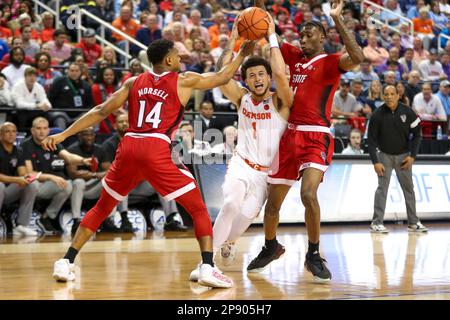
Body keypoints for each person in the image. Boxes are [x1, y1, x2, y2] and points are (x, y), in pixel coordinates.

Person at [43, 36, 254, 288]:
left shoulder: (133, 82)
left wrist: (64, 134)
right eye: (177, 54)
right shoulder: (183, 80)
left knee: (102, 207)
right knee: (198, 208)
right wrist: (242, 55)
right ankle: (207, 266)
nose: (180, 58)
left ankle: (66, 261)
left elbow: (100, 111)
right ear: (168, 59)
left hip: (130, 144)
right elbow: (221, 77)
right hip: (156, 146)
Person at [251, 0, 364, 282]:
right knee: (272, 204)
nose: (302, 39)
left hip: (316, 136)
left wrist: (337, 19)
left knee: (308, 194)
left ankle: (313, 253)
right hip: (289, 135)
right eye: (300, 35)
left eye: (308, 35)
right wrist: (260, 6)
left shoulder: (330, 62)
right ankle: (270, 246)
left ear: (323, 37)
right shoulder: (295, 57)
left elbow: (358, 57)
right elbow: (270, 30)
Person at [191, 14, 292, 277]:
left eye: (261, 74)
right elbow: (221, 76)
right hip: (241, 164)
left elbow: (281, 72)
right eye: (251, 75)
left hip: (265, 175)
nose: (257, 78)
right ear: (245, 80)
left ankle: (229, 242)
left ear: (269, 78)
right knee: (230, 205)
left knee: (242, 222)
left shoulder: (281, 102)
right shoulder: (242, 99)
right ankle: (206, 263)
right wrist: (234, 39)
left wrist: (272, 37)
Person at [101, 113, 187, 232]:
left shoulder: (139, 140)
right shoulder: (108, 144)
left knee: (162, 183)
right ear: (114, 126)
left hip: (140, 183)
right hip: (121, 183)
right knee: (122, 182)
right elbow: (109, 170)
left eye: (127, 121)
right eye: (121, 122)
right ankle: (124, 220)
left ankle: (171, 219)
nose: (125, 124)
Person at [367, 85, 428, 234]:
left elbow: (418, 134)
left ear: (397, 95)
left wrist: (412, 156)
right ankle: (377, 223)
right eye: (386, 94)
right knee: (382, 189)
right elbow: (371, 140)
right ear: (383, 96)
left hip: (403, 157)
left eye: (391, 94)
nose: (388, 97)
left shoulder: (408, 112)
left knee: (409, 190)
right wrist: (376, 161)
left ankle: (413, 222)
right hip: (384, 156)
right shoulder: (377, 115)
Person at [21, 117, 91, 235]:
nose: (42, 131)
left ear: (49, 130)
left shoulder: (52, 142)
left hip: (49, 185)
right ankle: (24, 224)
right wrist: (51, 177)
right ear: (32, 130)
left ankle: (47, 217)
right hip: (33, 184)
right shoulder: (26, 145)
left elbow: (68, 157)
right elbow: (29, 173)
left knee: (67, 184)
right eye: (38, 128)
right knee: (41, 183)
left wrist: (84, 161)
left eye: (44, 128)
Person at [0, 122, 39, 236]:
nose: (11, 134)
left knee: (32, 184)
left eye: (13, 131)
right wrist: (17, 180)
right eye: (7, 131)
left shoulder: (19, 151)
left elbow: (22, 172)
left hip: (9, 191)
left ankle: (21, 225)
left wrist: (26, 178)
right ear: (1, 134)